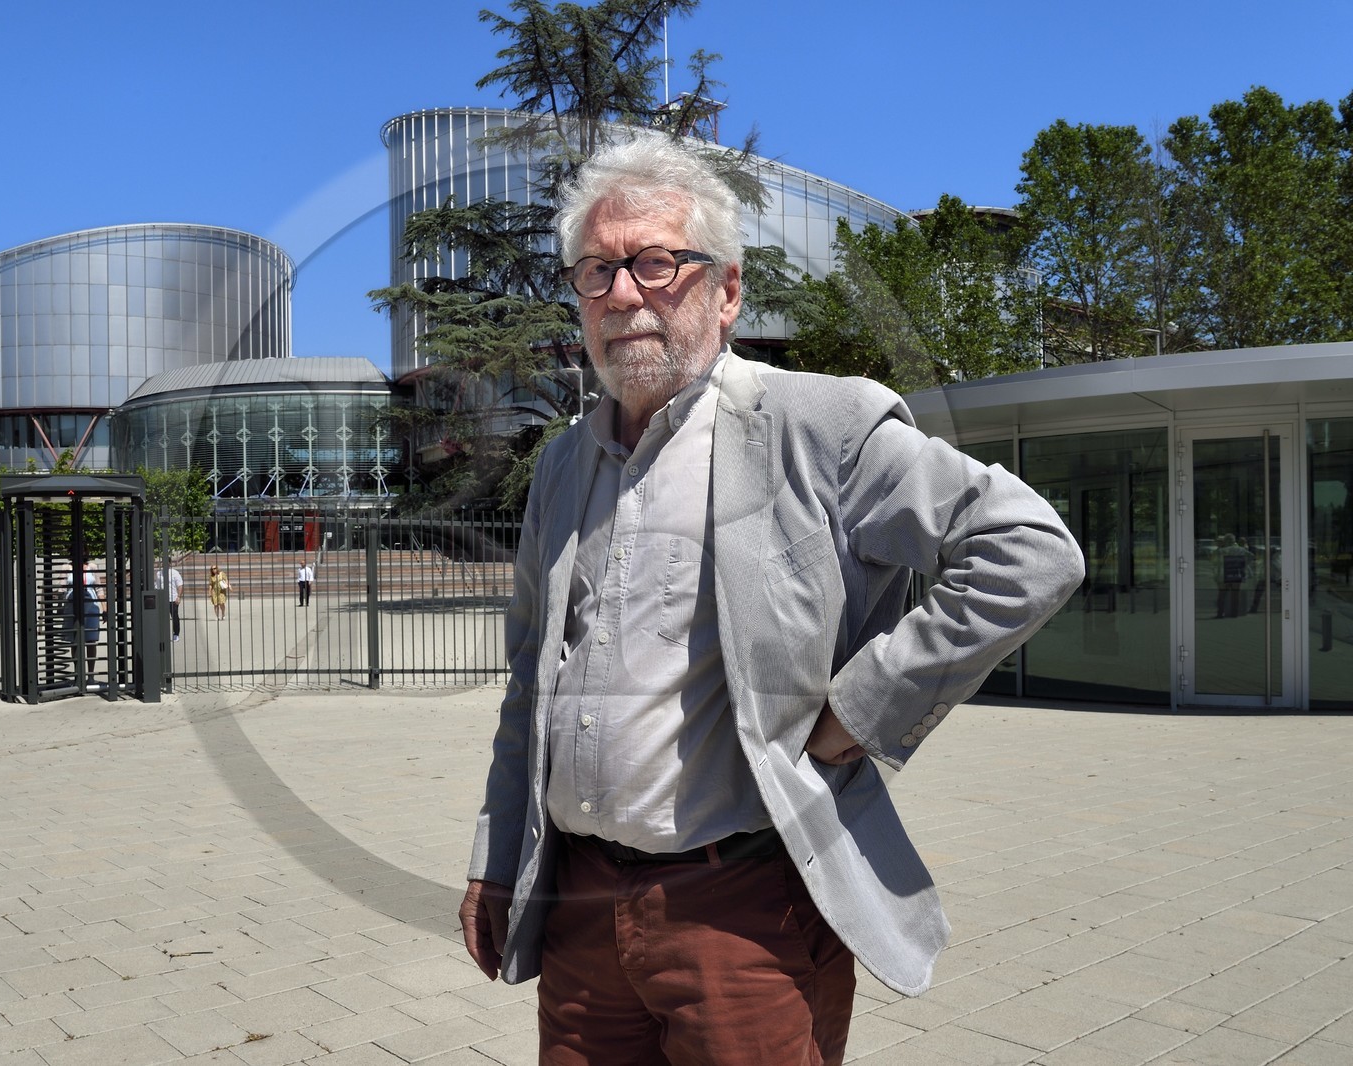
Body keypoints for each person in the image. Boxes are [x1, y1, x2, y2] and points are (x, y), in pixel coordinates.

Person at [458, 135, 1085, 1065]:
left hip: (747, 915)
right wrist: (497, 854)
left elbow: (1028, 550)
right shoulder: (562, 464)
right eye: (597, 271)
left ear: (727, 291)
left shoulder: (817, 426)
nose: (625, 294)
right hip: (581, 913)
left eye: (657, 263)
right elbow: (530, 682)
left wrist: (862, 708)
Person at [62, 565, 103, 675]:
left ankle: (90, 675)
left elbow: (99, 588)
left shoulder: (93, 567)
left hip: (92, 606)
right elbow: (62, 589)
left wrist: (105, 607)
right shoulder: (66, 567)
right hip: (72, 605)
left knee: (91, 640)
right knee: (75, 640)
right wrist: (60, 606)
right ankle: (78, 674)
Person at [155, 561, 184, 642]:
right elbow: (157, 586)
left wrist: (178, 596)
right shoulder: (159, 574)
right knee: (162, 618)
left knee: (174, 617)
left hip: (173, 599)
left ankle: (176, 634)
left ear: (170, 563)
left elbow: (180, 585)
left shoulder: (175, 573)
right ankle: (162, 634)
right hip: (162, 599)